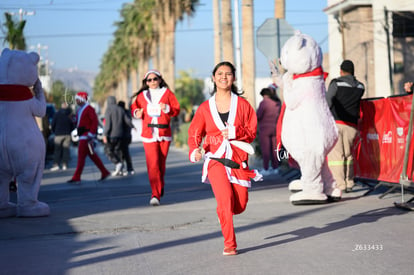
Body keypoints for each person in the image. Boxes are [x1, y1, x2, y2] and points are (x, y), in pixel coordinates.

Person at [188, 61, 261, 256]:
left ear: (233, 78)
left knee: (240, 204)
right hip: (215, 159)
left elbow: (252, 131)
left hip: (238, 159)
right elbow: (195, 131)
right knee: (225, 200)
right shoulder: (205, 107)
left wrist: (235, 131)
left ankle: (225, 212)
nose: (223, 77)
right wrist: (195, 149)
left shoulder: (243, 105)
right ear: (213, 78)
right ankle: (230, 244)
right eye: (219, 74)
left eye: (228, 74)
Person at [130, 69, 180, 206]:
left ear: (160, 79)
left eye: (154, 79)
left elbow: (177, 109)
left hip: (164, 134)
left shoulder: (167, 93)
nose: (152, 82)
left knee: (161, 164)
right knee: (153, 165)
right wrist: (136, 112)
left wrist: (167, 108)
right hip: (149, 134)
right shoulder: (142, 95)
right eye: (149, 80)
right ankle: (155, 194)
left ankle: (159, 185)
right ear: (146, 82)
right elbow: (134, 107)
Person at [326, 60, 365, 192]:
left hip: (336, 123)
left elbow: (328, 101)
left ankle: (339, 185)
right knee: (349, 155)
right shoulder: (360, 87)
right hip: (352, 126)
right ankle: (349, 182)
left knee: (336, 156)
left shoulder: (336, 83)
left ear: (341, 71)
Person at [67, 92, 110, 183]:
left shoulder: (89, 108)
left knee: (81, 157)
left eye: (77, 99)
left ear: (82, 99)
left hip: (86, 136)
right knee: (92, 155)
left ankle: (77, 176)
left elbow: (94, 121)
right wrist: (73, 119)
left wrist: (91, 134)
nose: (76, 100)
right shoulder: (79, 109)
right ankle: (104, 171)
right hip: (83, 135)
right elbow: (79, 122)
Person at [256, 86, 281, 175]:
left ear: (264, 95)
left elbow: (258, 116)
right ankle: (276, 168)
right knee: (275, 150)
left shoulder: (264, 103)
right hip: (275, 128)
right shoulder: (277, 103)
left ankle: (266, 168)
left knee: (265, 150)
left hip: (265, 129)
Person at [103, 96, 130, 176]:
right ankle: (120, 169)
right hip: (121, 134)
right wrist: (133, 126)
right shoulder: (120, 109)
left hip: (112, 135)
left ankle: (117, 163)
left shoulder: (109, 110)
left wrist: (105, 134)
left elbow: (108, 124)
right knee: (118, 151)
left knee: (108, 150)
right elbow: (127, 120)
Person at [50, 102, 75, 171]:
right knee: (66, 150)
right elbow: (73, 124)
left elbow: (53, 124)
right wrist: (70, 131)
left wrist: (54, 131)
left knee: (57, 150)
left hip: (58, 134)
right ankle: (65, 165)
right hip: (67, 134)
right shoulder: (69, 114)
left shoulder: (57, 114)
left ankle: (56, 164)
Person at [118, 100, 135, 175]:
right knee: (125, 152)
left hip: (122, 136)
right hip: (128, 136)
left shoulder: (122, 113)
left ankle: (123, 168)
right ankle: (128, 168)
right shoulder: (127, 112)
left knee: (122, 152)